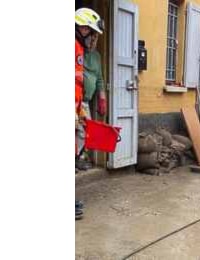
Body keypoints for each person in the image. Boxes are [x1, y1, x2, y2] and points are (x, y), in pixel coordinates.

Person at [75, 7, 104, 220]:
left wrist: (100, 97)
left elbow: (96, 79)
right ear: (83, 28)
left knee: (81, 139)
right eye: (92, 33)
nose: (93, 38)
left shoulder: (89, 54)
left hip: (79, 105)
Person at [76, 29, 107, 169]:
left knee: (85, 131)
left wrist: (102, 99)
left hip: (85, 102)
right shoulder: (77, 48)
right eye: (92, 37)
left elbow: (99, 79)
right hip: (76, 99)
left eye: (96, 37)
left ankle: (77, 157)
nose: (93, 40)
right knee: (79, 130)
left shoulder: (97, 56)